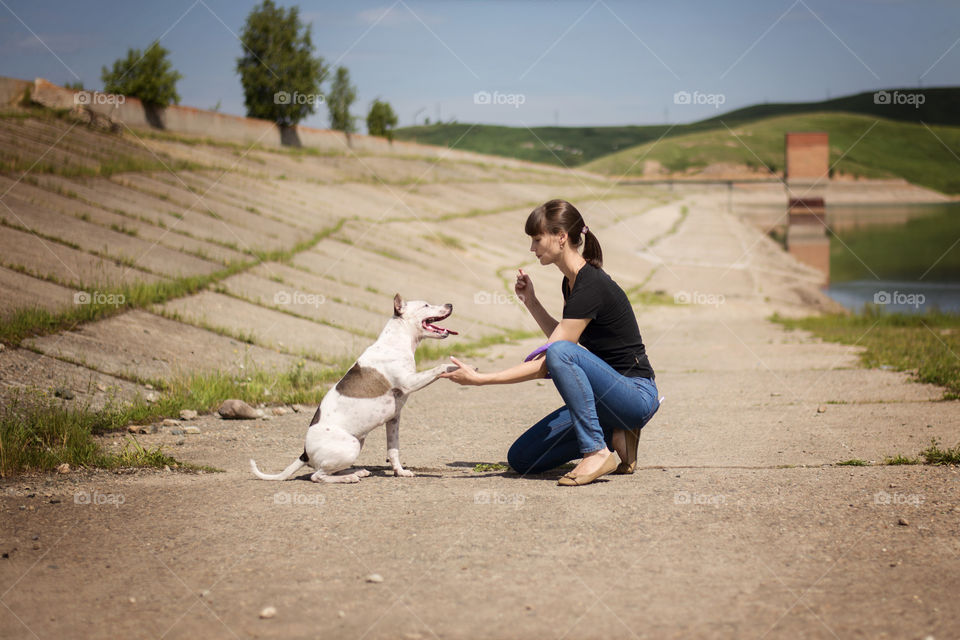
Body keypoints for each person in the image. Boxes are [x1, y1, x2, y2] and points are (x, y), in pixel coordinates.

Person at [441, 199, 659, 486]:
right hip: (605, 398)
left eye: (536, 238)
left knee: (561, 354)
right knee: (522, 458)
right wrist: (531, 302)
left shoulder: (591, 284)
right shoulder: (571, 283)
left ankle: (596, 451)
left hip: (635, 394)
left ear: (561, 237)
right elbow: (562, 341)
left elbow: (554, 357)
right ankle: (618, 433)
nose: (532, 248)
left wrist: (482, 379)